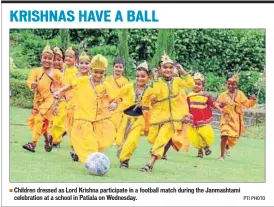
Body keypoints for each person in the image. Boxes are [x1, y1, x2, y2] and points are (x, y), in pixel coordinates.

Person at [53, 54, 117, 164]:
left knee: (101, 141)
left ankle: (90, 158)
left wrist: (113, 105)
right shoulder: (82, 80)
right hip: (83, 118)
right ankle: (91, 162)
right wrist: (59, 92)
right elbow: (70, 86)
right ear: (91, 70)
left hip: (99, 120)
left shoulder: (106, 85)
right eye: (96, 72)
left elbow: (114, 100)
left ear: (105, 72)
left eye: (101, 73)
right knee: (88, 141)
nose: (98, 75)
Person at [139, 53, 195, 172]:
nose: (168, 70)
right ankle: (155, 154)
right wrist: (154, 78)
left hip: (172, 119)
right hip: (158, 117)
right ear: (160, 69)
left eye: (171, 67)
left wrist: (183, 72)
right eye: (165, 67)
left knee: (161, 140)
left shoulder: (177, 81)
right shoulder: (157, 81)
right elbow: (155, 93)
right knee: (154, 139)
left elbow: (191, 84)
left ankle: (149, 164)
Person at [23, 44, 63, 152]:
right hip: (39, 100)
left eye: (50, 58)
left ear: (53, 60)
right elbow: (29, 81)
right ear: (41, 58)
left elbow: (64, 85)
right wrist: (32, 85)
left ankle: (33, 144)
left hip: (51, 101)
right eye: (45, 58)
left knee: (39, 118)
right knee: (43, 122)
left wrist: (60, 94)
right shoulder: (36, 71)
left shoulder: (57, 73)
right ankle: (47, 140)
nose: (47, 60)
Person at [115, 61, 151, 168]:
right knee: (119, 140)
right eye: (138, 76)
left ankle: (124, 161)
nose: (140, 79)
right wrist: (114, 103)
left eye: (143, 76)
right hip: (126, 117)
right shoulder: (129, 86)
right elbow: (118, 96)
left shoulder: (150, 90)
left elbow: (155, 102)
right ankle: (122, 152)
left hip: (139, 119)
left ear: (148, 77)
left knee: (132, 141)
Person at [216, 73, 256, 161]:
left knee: (233, 137)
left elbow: (247, 104)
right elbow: (217, 104)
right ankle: (222, 156)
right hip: (226, 119)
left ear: (236, 85)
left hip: (236, 120)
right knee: (224, 135)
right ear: (226, 83)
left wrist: (253, 100)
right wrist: (220, 107)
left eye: (233, 84)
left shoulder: (240, 94)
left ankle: (227, 146)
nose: (231, 86)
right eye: (229, 83)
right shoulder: (223, 95)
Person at [187, 72, 221, 158]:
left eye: (199, 84)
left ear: (203, 86)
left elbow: (212, 103)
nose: (196, 86)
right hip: (193, 120)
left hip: (203, 119)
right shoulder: (189, 96)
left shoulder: (205, 95)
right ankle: (200, 151)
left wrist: (218, 106)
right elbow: (186, 107)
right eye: (194, 83)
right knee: (196, 136)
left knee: (204, 134)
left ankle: (206, 147)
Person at [105, 57, 129, 133]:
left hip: (119, 107)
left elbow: (126, 97)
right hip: (107, 105)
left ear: (123, 68)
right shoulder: (108, 79)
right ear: (113, 67)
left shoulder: (125, 81)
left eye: (120, 67)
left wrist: (116, 104)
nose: (118, 69)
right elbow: (104, 93)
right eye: (116, 67)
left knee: (116, 118)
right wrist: (109, 103)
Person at [49, 46, 66, 148]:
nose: (56, 62)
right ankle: (52, 138)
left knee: (58, 122)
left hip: (62, 100)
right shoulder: (47, 72)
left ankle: (56, 142)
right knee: (49, 122)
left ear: (63, 61)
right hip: (49, 100)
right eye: (54, 60)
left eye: (59, 60)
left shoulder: (66, 73)